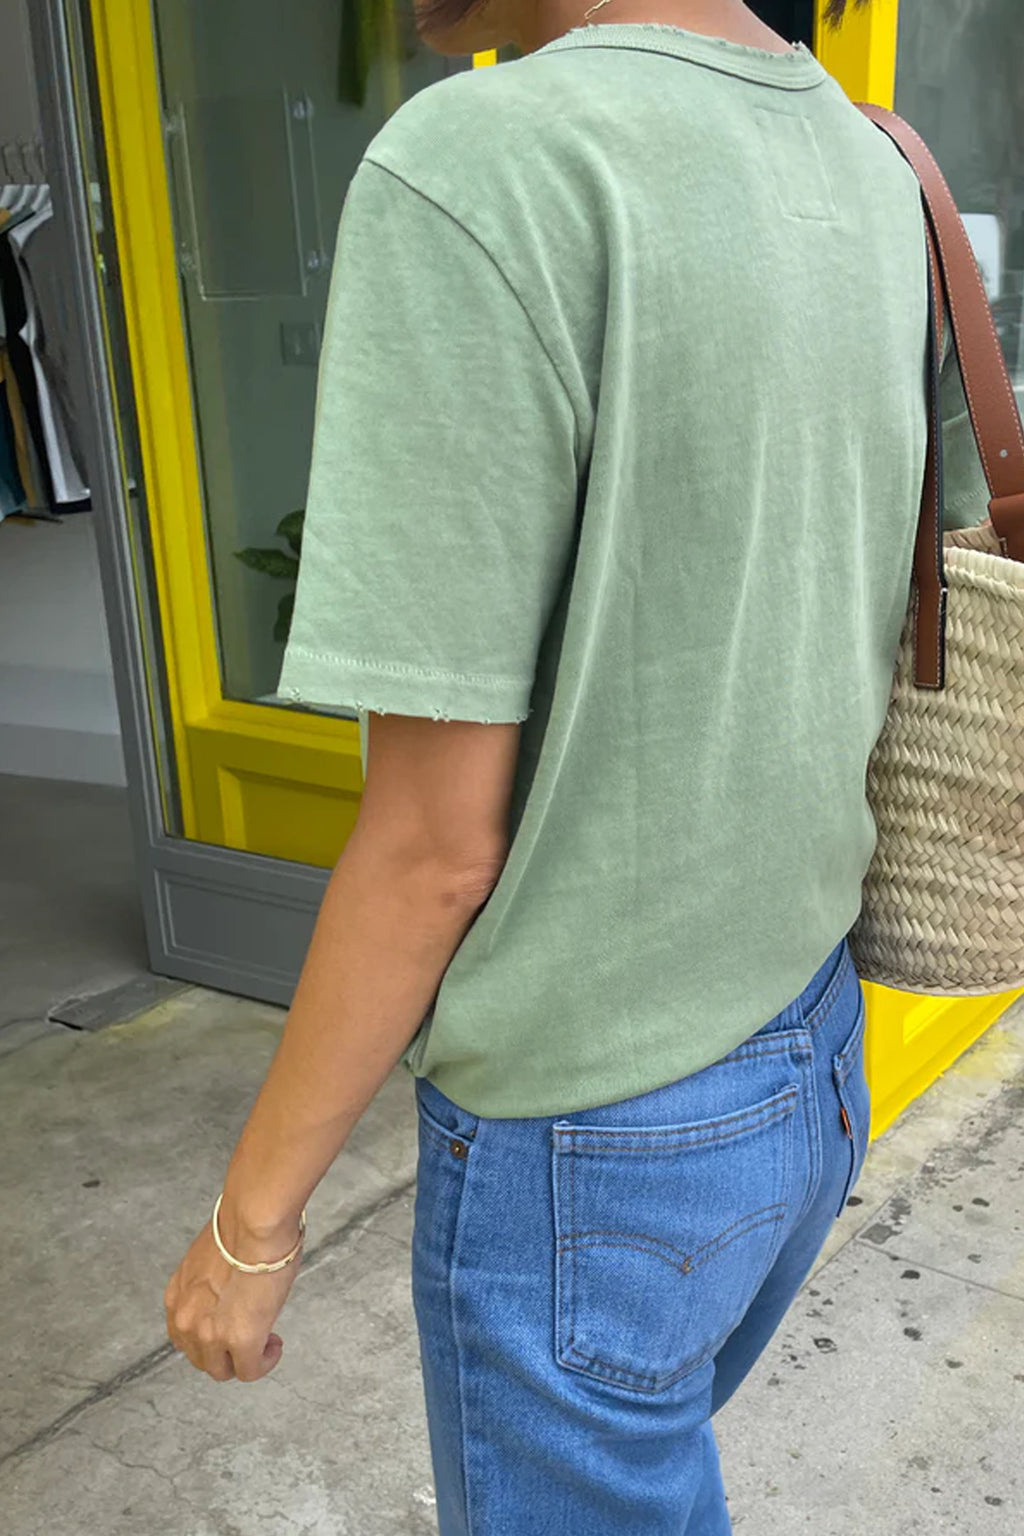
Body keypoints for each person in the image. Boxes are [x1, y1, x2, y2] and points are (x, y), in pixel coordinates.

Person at [164, 1, 989, 1529]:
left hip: (595, 1135)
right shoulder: (871, 158)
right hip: (809, 1054)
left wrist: (250, 1223)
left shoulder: (482, 166)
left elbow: (434, 850)